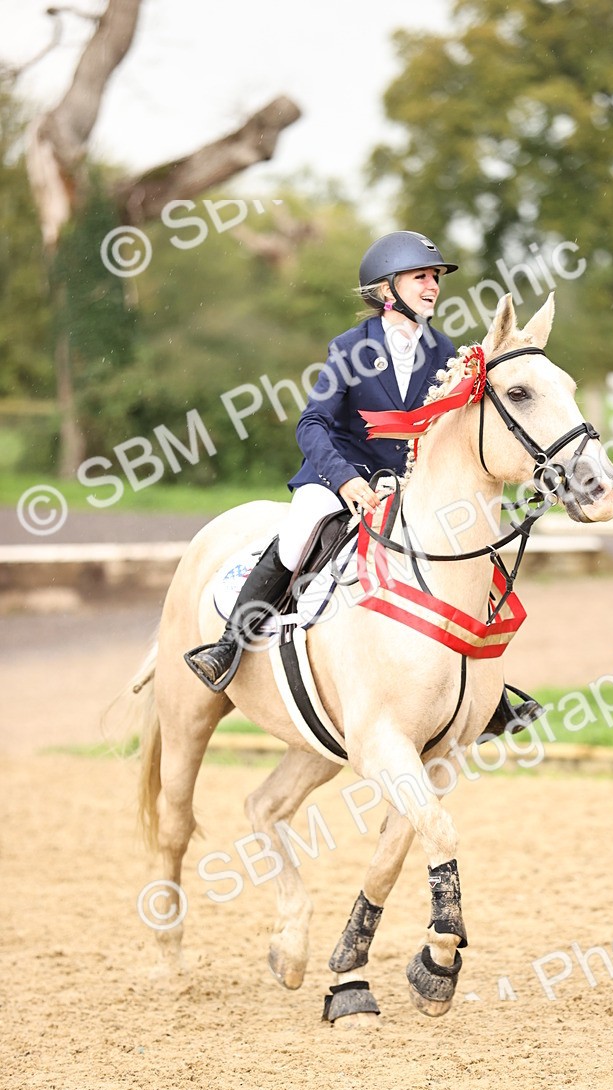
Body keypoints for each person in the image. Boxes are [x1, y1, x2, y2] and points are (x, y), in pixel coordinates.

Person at [184, 230, 542, 735]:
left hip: (405, 486)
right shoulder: (350, 349)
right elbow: (312, 424)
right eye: (421, 277)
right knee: (298, 536)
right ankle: (230, 644)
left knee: (464, 550)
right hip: (337, 477)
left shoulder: (444, 351)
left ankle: (486, 692)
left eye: (435, 277)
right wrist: (346, 481)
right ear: (385, 288)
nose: (433, 286)